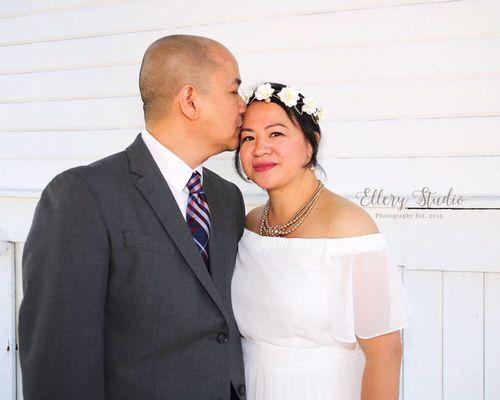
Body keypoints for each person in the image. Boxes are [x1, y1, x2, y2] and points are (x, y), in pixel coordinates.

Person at [19, 35, 248, 400]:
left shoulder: (227, 198)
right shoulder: (82, 195)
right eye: (234, 91)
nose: (243, 107)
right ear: (190, 100)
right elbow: (59, 360)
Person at [231, 82, 412, 399]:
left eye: (276, 133)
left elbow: (385, 353)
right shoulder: (249, 224)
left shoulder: (349, 226)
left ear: (311, 143)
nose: (260, 148)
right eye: (248, 137)